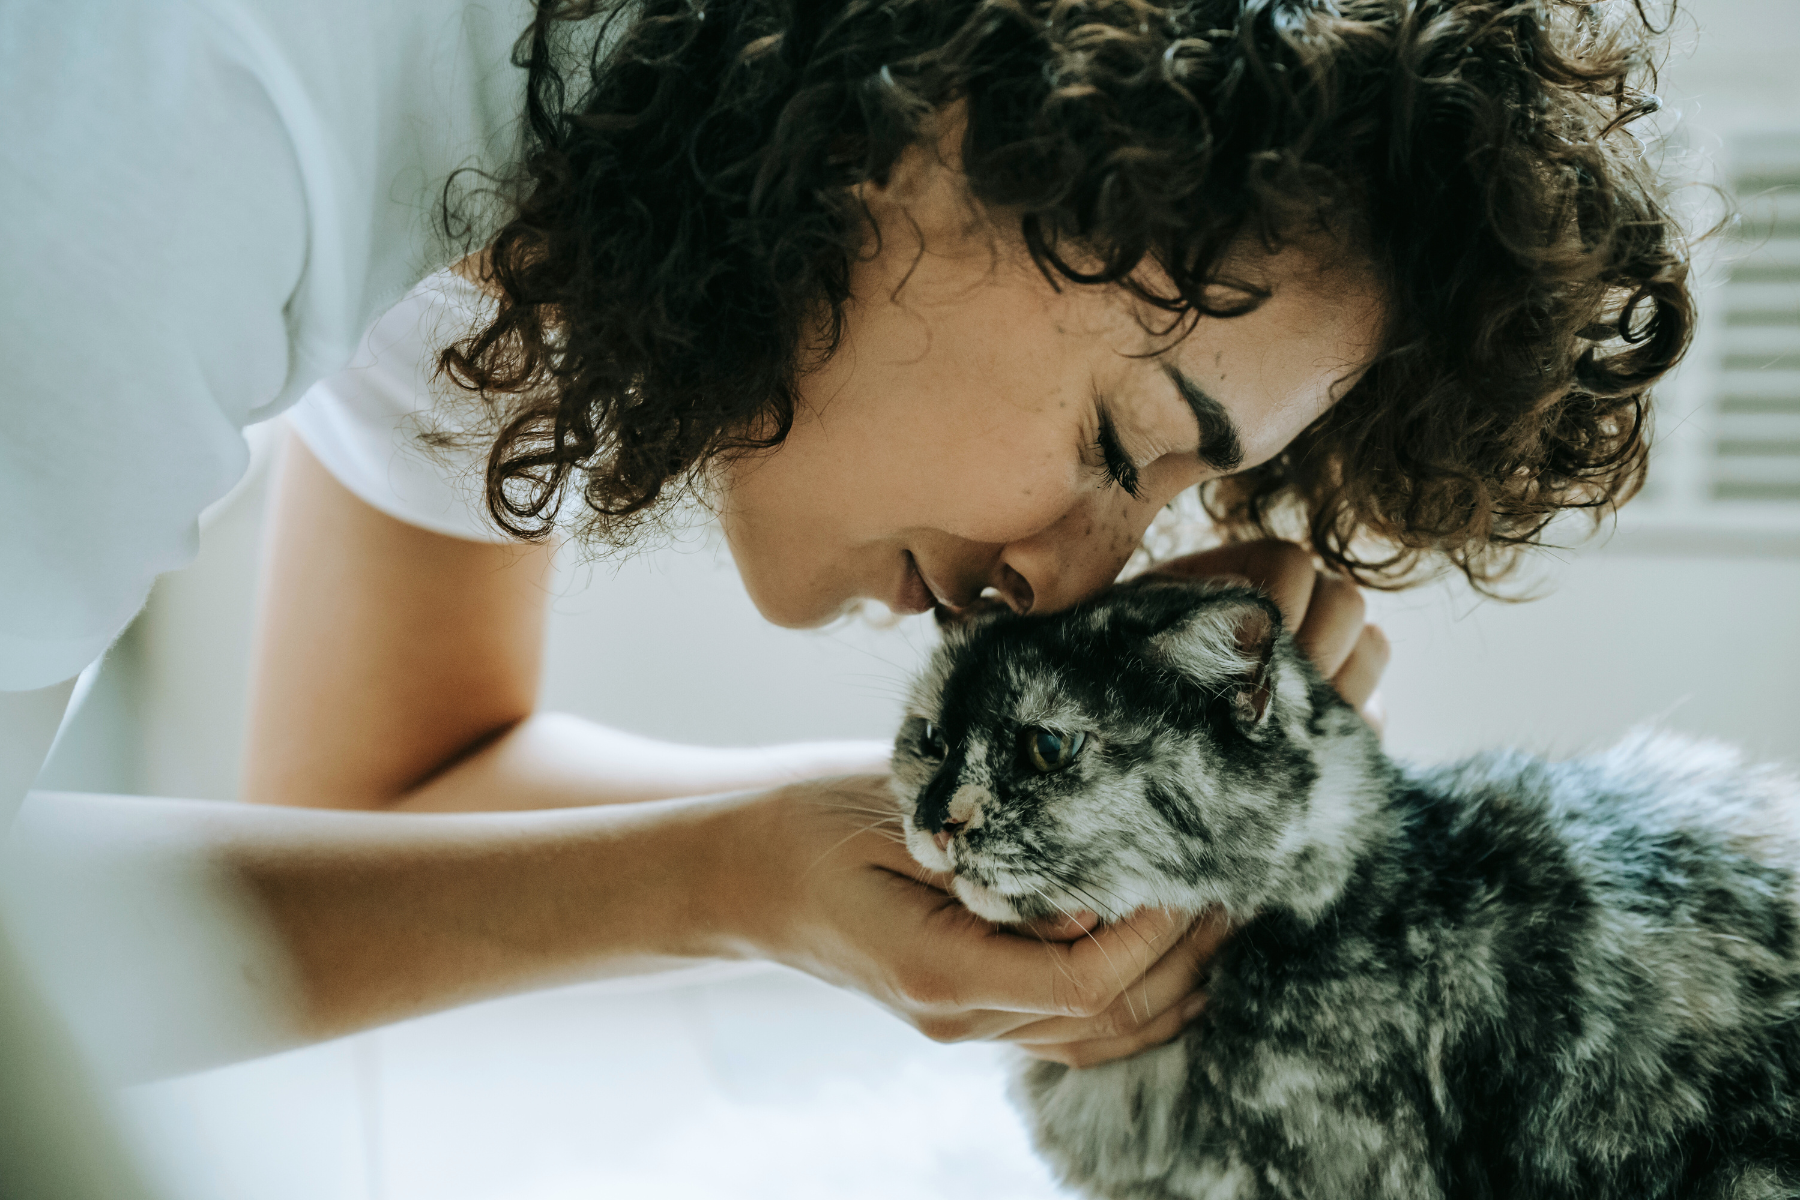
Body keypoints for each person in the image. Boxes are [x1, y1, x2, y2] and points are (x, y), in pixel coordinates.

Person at [0, 0, 1690, 1189]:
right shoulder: (169, 125)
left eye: (1179, 502)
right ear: (935, 109)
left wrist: (998, 822)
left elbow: (387, 783)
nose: (1074, 582)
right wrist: (741, 887)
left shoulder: (545, 176)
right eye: (1124, 441)